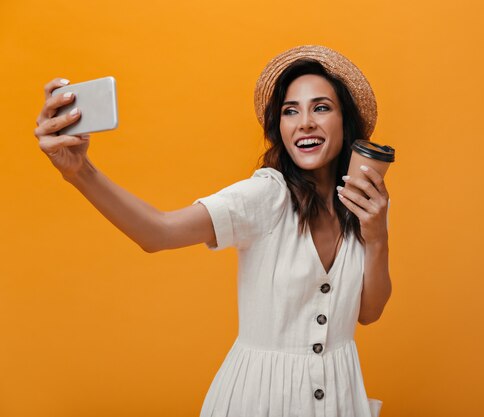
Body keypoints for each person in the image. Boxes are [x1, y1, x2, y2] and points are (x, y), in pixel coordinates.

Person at [33, 45, 391, 417]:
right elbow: (158, 232)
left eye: (321, 107)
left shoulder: (362, 203)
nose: (304, 123)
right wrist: (79, 171)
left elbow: (368, 311)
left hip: (339, 399)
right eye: (290, 111)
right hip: (259, 402)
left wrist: (377, 233)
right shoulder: (267, 195)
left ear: (345, 121)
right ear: (279, 127)